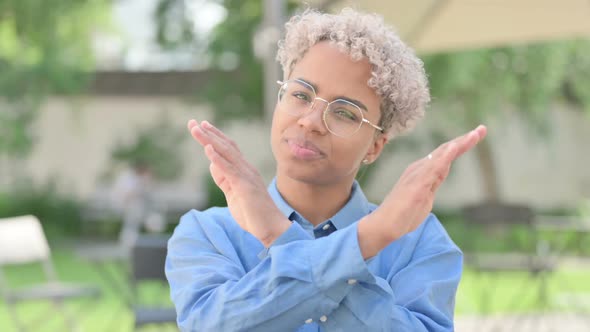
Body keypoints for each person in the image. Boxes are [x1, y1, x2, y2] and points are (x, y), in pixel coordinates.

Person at [165, 8, 487, 332]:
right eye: (301, 95)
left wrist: (278, 236)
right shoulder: (208, 233)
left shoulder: (418, 240)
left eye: (345, 113)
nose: (310, 121)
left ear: (375, 146)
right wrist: (368, 239)